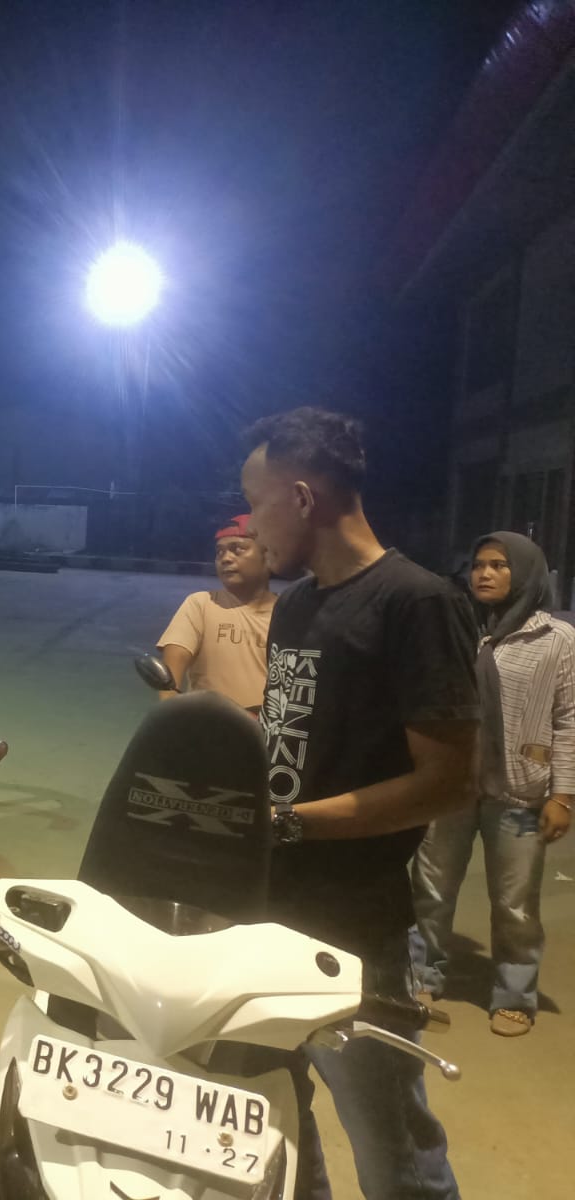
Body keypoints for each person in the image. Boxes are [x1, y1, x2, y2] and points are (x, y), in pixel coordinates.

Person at [240, 407, 477, 1200]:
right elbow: (290, 738)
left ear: (303, 498)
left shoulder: (418, 602)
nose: (250, 526)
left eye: (258, 504)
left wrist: (291, 824)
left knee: (390, 1145)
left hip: (357, 928)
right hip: (266, 909)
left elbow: (449, 782)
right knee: (275, 1120)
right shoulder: (297, 607)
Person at [411, 531, 574, 1037]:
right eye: (479, 564)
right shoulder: (455, 629)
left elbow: (568, 719)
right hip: (450, 786)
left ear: (524, 573)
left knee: (515, 903)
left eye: (499, 565)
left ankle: (514, 993)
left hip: (520, 791)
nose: (484, 573)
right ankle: (421, 976)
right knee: (431, 888)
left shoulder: (557, 640)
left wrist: (563, 795)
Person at [156, 513, 276, 709]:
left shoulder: (288, 612)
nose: (226, 558)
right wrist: (170, 713)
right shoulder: (202, 605)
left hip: (268, 726)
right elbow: (172, 671)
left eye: (237, 549)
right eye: (220, 552)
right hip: (210, 723)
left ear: (268, 556)